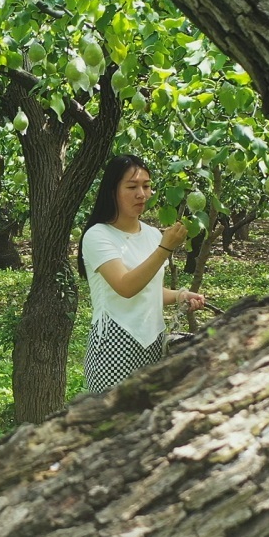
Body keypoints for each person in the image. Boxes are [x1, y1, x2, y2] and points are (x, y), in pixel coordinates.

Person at [77, 154, 206, 393]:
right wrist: (165, 249)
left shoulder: (152, 235)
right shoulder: (98, 235)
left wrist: (180, 295)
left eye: (146, 186)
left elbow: (150, 290)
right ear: (112, 191)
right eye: (132, 187)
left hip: (153, 341)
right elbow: (126, 287)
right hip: (114, 346)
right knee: (113, 414)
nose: (142, 194)